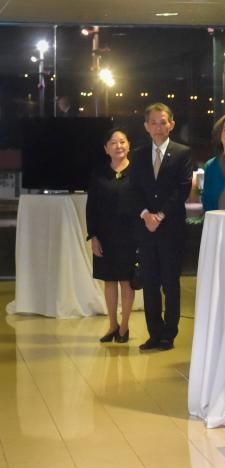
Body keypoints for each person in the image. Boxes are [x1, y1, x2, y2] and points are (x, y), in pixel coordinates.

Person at [129, 103, 192, 351]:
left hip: (171, 227)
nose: (158, 126)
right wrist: (146, 215)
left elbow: (182, 189)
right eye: (153, 122)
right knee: (150, 282)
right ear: (146, 126)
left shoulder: (182, 153)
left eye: (162, 122)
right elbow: (133, 189)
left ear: (171, 125)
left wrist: (161, 215)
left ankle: (169, 334)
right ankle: (153, 333)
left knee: (170, 282)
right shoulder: (139, 154)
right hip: (145, 229)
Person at [86, 129, 137, 343]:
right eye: (113, 142)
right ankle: (112, 325)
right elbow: (92, 207)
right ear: (106, 148)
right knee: (109, 281)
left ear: (128, 145)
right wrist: (93, 236)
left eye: (122, 141)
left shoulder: (137, 172)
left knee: (126, 281)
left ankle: (124, 327)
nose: (118, 146)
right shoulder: (98, 174)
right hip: (105, 235)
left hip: (130, 235)